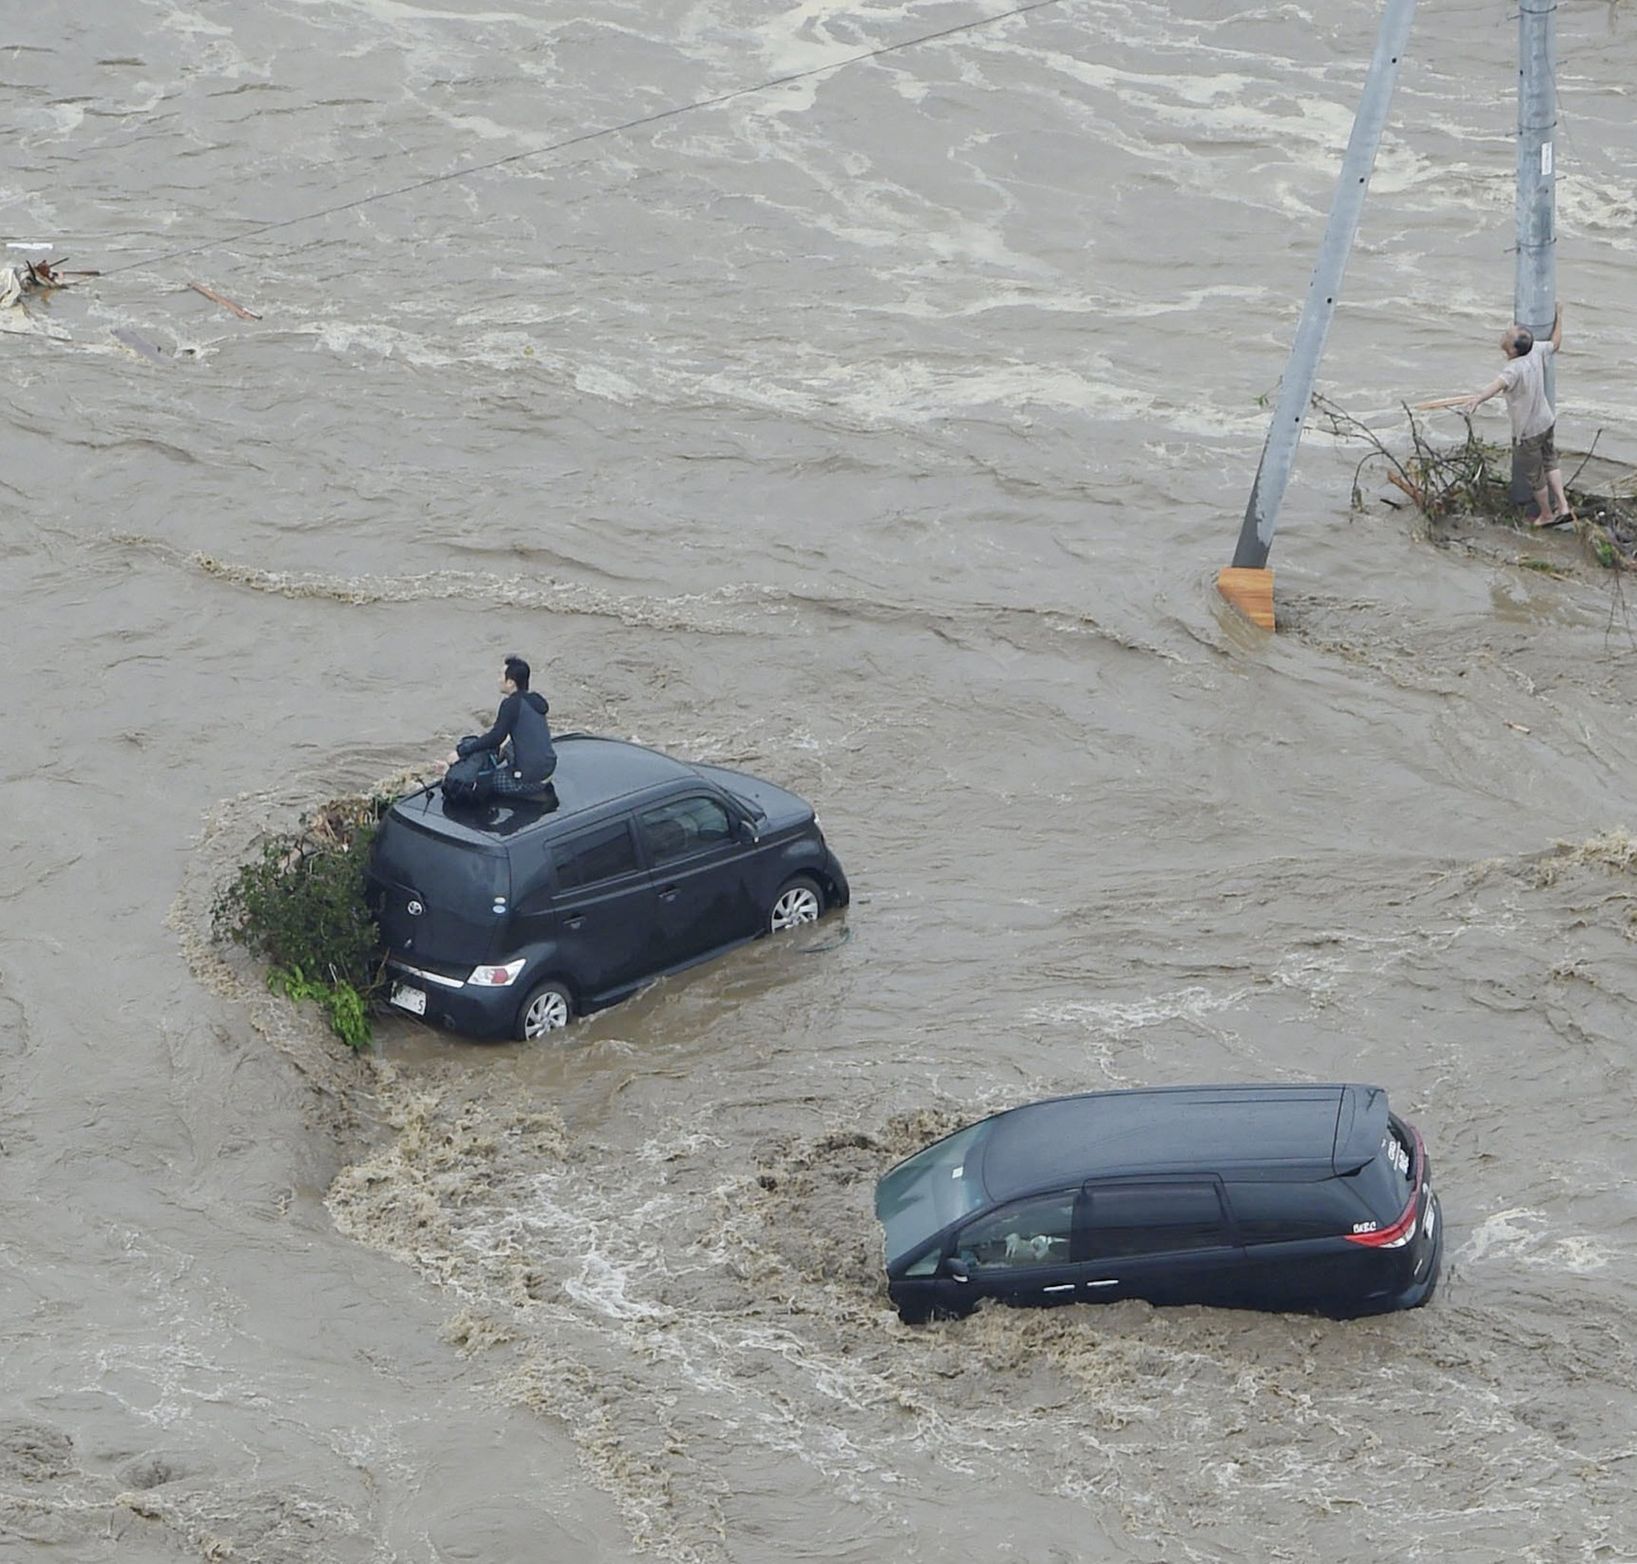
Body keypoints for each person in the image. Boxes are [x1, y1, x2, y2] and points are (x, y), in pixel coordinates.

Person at [1459, 303, 1569, 528]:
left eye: (1508, 335)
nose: (1505, 333)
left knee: (1535, 475)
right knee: (1550, 461)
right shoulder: (1537, 350)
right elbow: (1556, 343)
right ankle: (1564, 505)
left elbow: (1497, 385)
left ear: (1512, 350)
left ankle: (1547, 514)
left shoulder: (1513, 369)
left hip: (1528, 431)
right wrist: (1559, 316)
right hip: (1546, 420)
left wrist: (1478, 399)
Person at [446, 653, 556, 797]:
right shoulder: (535, 700)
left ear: (510, 682)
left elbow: (496, 737)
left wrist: (462, 752)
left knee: (481, 781)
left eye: (501, 675)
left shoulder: (511, 704)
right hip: (548, 771)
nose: (498, 679)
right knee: (507, 745)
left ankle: (450, 770)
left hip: (528, 781)